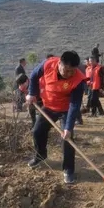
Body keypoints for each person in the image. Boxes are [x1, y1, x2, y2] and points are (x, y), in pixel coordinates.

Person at [26, 51, 85, 184]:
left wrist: (68, 128)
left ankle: (68, 170)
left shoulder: (78, 80)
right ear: (59, 63)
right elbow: (34, 75)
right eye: (66, 70)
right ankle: (40, 156)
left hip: (66, 110)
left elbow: (75, 104)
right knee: (37, 131)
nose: (69, 74)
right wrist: (31, 93)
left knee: (67, 139)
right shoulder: (48, 64)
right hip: (49, 106)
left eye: (72, 71)